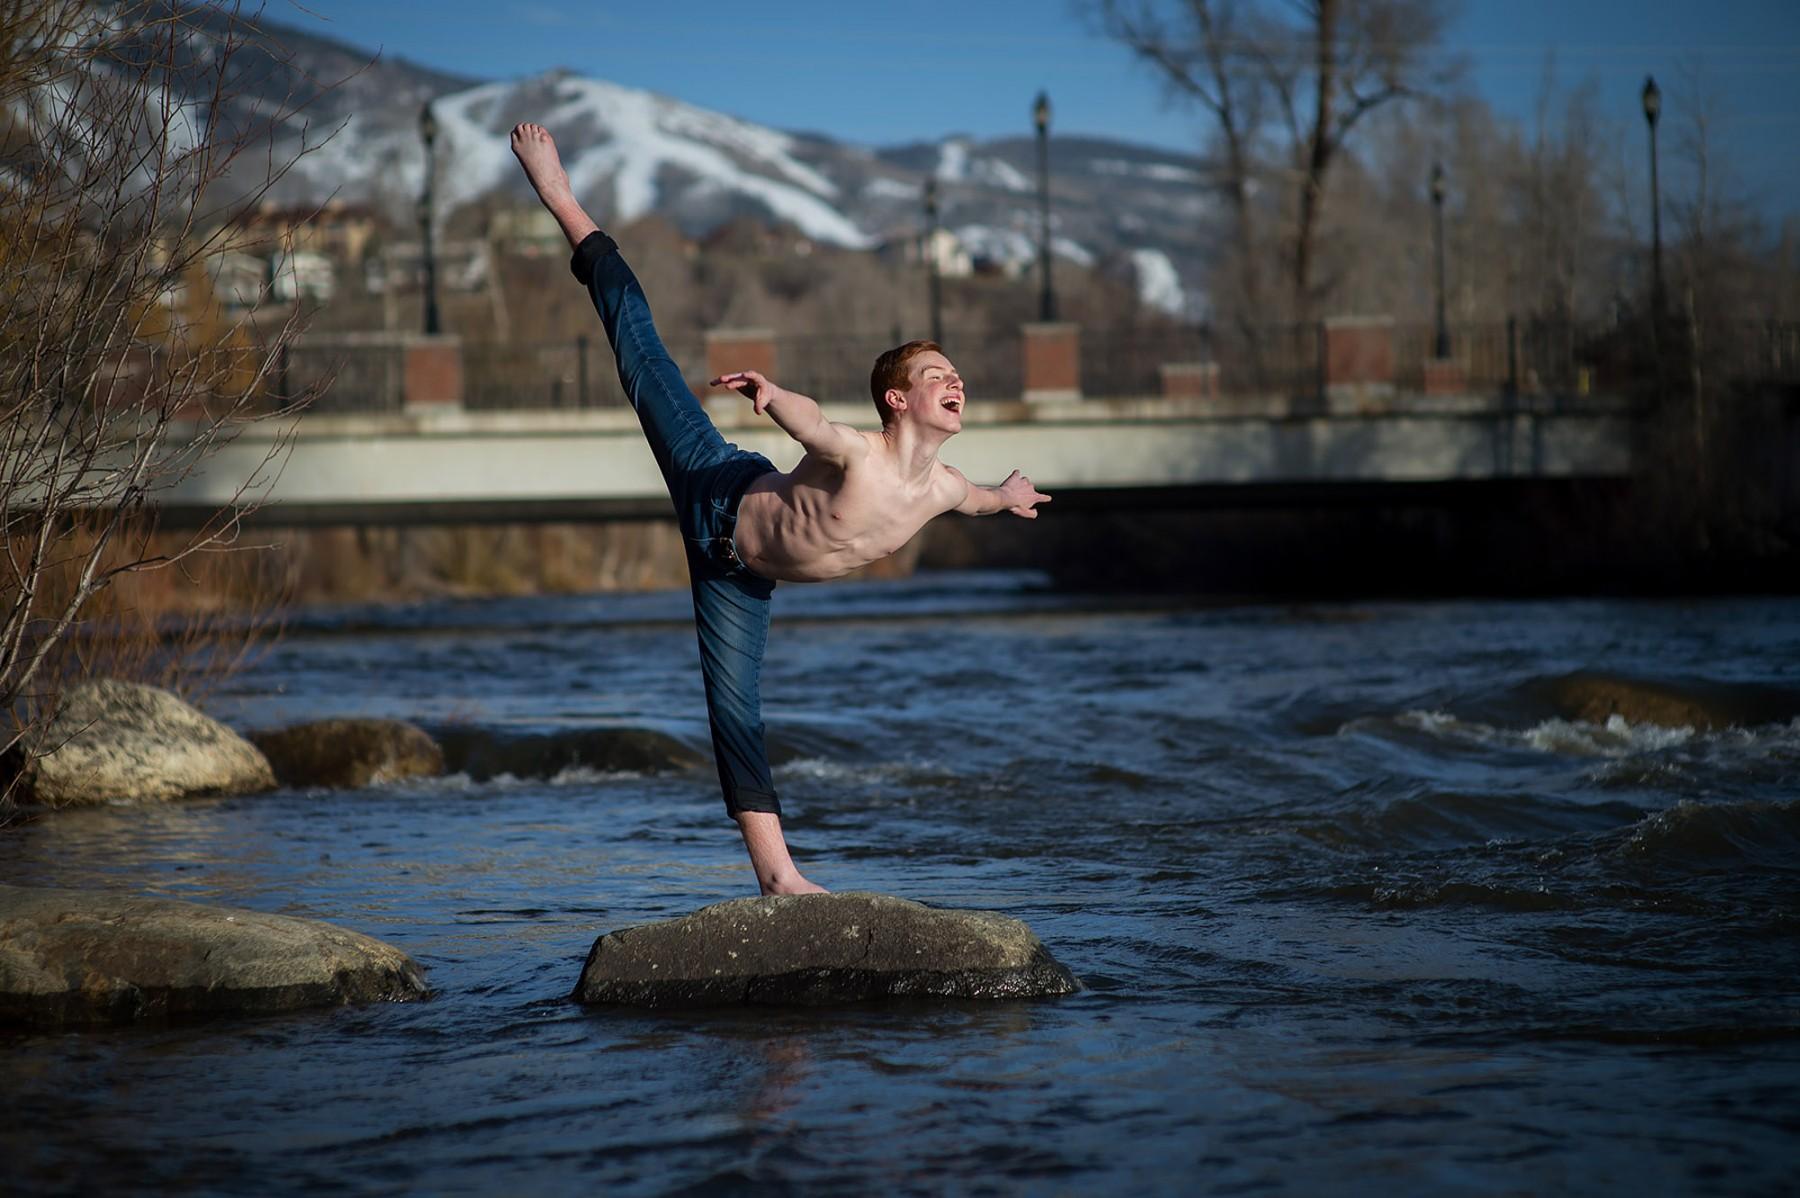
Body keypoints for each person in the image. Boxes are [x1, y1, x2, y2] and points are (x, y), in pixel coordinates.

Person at [510, 123, 1050, 895]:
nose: (953, 381)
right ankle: (560, 194)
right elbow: (815, 424)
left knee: (738, 717)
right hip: (716, 485)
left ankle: (777, 879)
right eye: (937, 374)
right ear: (900, 400)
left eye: (955, 374)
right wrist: (771, 396)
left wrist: (1010, 496)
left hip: (740, 578)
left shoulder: (942, 487)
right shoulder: (859, 454)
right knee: (643, 351)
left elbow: (981, 499)